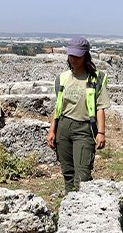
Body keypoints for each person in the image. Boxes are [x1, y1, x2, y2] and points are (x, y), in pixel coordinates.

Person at [46, 36, 110, 193]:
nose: (73, 59)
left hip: (84, 128)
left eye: (77, 56)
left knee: (82, 176)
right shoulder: (62, 78)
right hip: (64, 127)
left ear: (85, 56)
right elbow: (58, 106)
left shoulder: (96, 78)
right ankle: (69, 204)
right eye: (71, 55)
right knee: (68, 173)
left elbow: (100, 107)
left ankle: (82, 206)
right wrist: (52, 130)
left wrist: (101, 133)